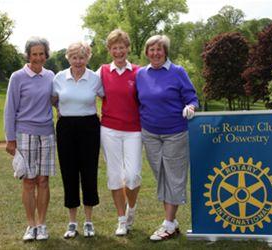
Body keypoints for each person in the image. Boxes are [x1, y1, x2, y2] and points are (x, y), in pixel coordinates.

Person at [136, 34, 198, 241]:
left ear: (165, 52)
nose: (155, 53)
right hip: (150, 133)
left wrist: (190, 107)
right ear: (146, 53)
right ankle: (171, 221)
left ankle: (169, 223)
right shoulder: (141, 74)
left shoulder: (177, 72)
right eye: (151, 50)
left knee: (174, 175)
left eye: (159, 49)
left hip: (175, 132)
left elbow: (192, 97)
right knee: (161, 175)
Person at [4, 37, 56, 241]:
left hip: (47, 133)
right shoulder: (17, 77)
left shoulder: (51, 75)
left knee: (43, 181)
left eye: (41, 53)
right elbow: (10, 109)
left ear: (46, 55)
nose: (38, 57)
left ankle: (42, 225)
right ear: (28, 55)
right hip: (24, 133)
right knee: (29, 181)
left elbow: (57, 100)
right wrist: (10, 139)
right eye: (34, 54)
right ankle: (30, 225)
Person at [52, 42, 104, 238]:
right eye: (74, 57)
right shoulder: (59, 78)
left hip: (89, 127)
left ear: (87, 58)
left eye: (82, 57)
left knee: (89, 173)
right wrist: (60, 111)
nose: (78, 61)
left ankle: (89, 221)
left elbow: (106, 97)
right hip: (66, 128)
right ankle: (72, 222)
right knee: (69, 173)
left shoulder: (95, 78)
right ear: (69, 58)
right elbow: (53, 99)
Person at [97, 29, 142, 236]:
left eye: (121, 47)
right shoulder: (103, 71)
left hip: (134, 130)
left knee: (132, 176)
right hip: (109, 130)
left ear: (128, 48)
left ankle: (131, 209)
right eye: (114, 48)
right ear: (109, 50)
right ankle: (121, 219)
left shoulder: (139, 72)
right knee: (115, 176)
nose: (118, 51)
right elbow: (89, 93)